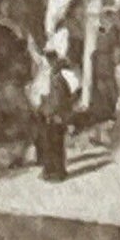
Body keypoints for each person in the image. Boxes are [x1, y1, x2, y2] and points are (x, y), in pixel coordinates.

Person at [39, 53, 73, 182]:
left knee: (55, 145)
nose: (49, 65)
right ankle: (52, 171)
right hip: (55, 116)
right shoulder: (56, 79)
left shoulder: (57, 80)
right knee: (52, 145)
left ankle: (57, 173)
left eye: (51, 63)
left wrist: (49, 112)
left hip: (56, 117)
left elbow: (58, 101)